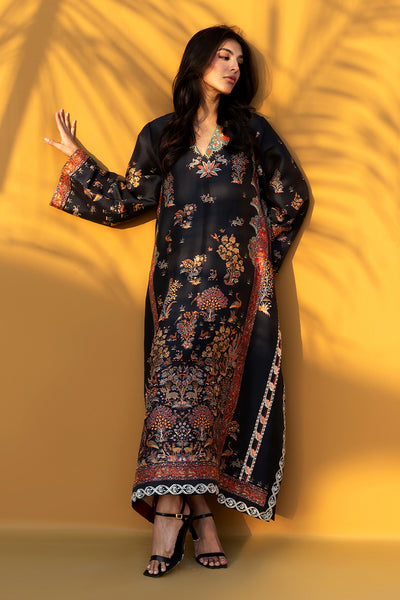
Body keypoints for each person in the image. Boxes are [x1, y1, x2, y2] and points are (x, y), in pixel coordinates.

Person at [45, 25, 309, 577]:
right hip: (175, 295)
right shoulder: (161, 134)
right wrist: (78, 159)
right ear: (198, 61)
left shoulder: (252, 132)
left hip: (234, 295)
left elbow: (291, 197)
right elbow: (128, 198)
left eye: (240, 60)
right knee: (174, 400)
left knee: (213, 404)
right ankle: (197, 517)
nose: (233, 67)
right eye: (223, 56)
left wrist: (257, 263)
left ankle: (173, 518)